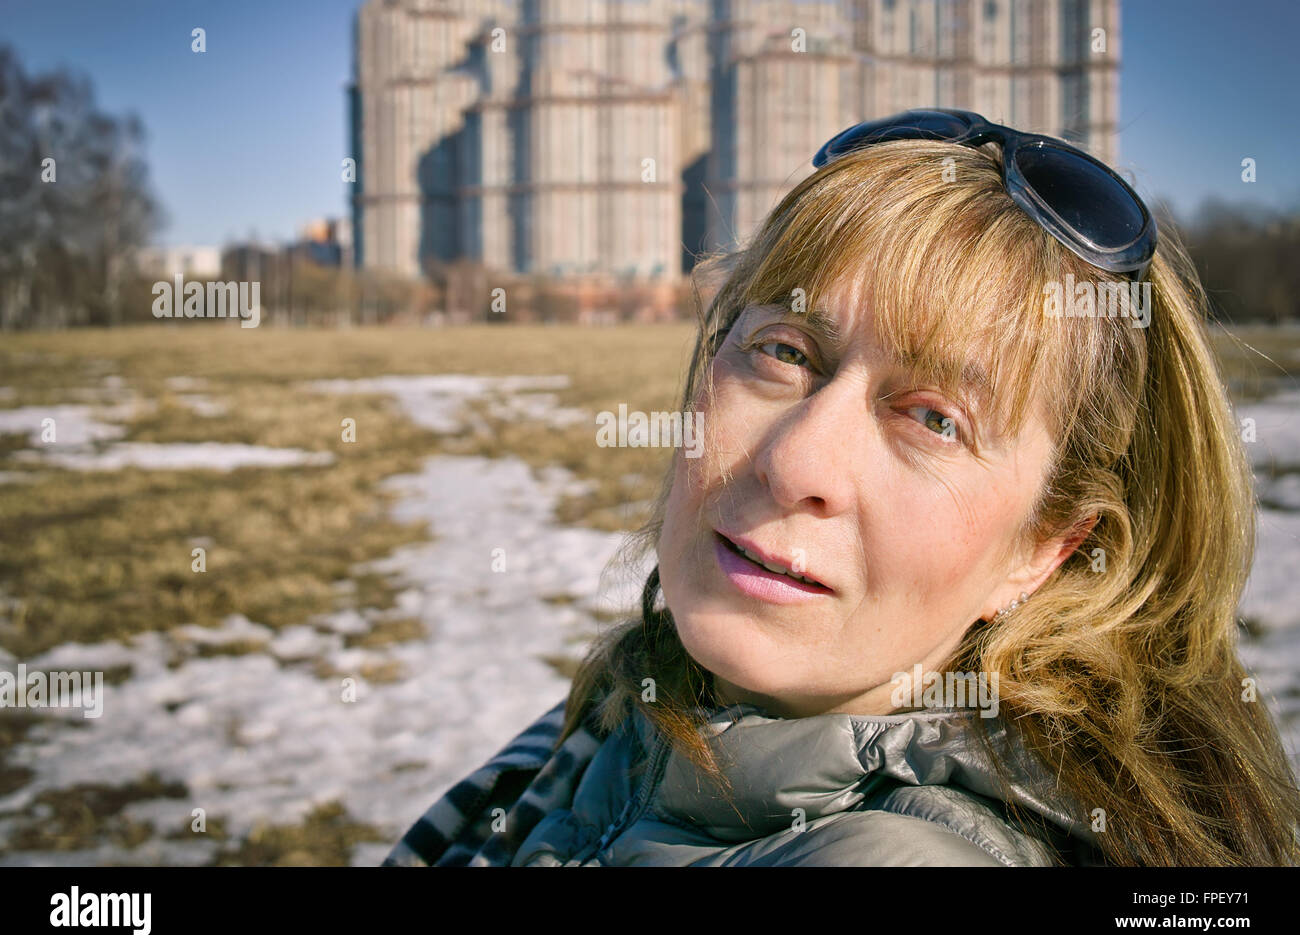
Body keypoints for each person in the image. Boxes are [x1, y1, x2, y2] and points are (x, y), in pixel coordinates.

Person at [384, 109, 1300, 867]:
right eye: (785, 352)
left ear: (1048, 548)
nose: (797, 463)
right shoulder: (635, 706)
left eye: (935, 419)